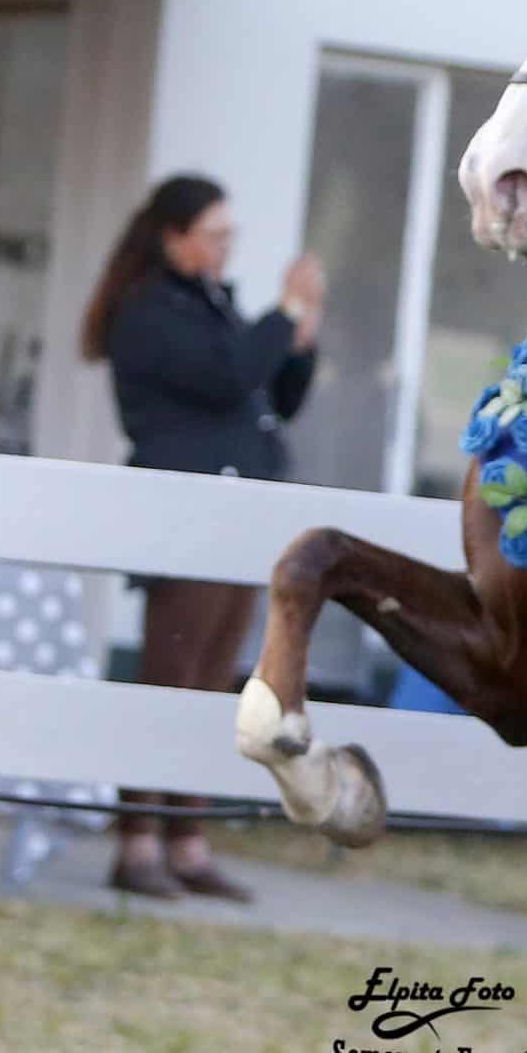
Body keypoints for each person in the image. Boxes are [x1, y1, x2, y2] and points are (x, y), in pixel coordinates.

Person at [79, 174, 324, 902]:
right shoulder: (149, 309)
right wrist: (282, 312)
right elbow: (227, 377)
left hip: (236, 512)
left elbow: (271, 393)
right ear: (173, 236)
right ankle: (137, 840)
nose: (225, 248)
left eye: (229, 236)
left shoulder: (207, 304)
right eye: (215, 234)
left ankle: (185, 839)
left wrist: (300, 339)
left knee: (216, 684)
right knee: (169, 678)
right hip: (185, 516)